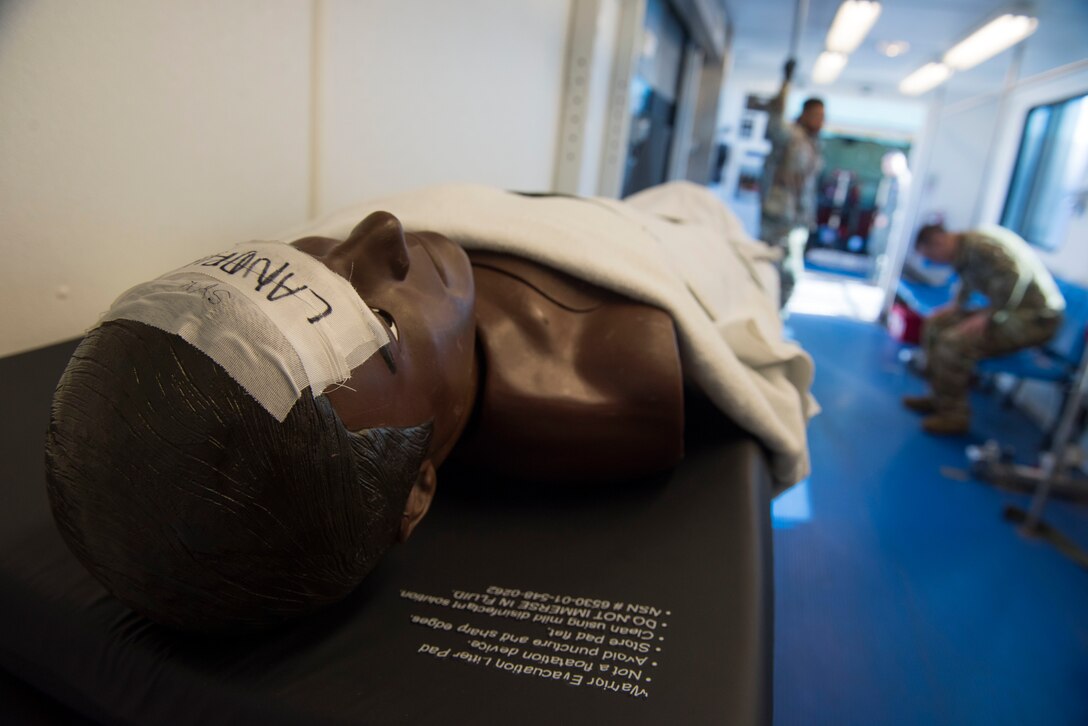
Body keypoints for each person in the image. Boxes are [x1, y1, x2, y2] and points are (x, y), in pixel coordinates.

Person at [45, 183, 815, 631]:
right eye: (382, 330)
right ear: (417, 489)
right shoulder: (621, 376)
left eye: (299, 258)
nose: (380, 231)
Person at [902, 223, 1065, 435]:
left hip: (1034, 319)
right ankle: (938, 397)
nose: (933, 263)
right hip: (1009, 311)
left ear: (939, 242)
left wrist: (989, 314)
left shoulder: (982, 246)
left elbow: (1016, 276)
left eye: (931, 258)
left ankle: (954, 416)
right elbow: (968, 278)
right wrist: (956, 306)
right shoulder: (963, 251)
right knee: (935, 325)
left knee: (955, 341)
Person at [760, 58, 825, 308]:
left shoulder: (814, 145)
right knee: (770, 271)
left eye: (823, 116)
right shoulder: (790, 137)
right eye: (816, 115)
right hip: (778, 218)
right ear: (804, 114)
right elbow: (775, 118)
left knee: (790, 276)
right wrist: (785, 82)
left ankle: (775, 317)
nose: (820, 120)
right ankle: (764, 316)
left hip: (798, 221)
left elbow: (808, 187)